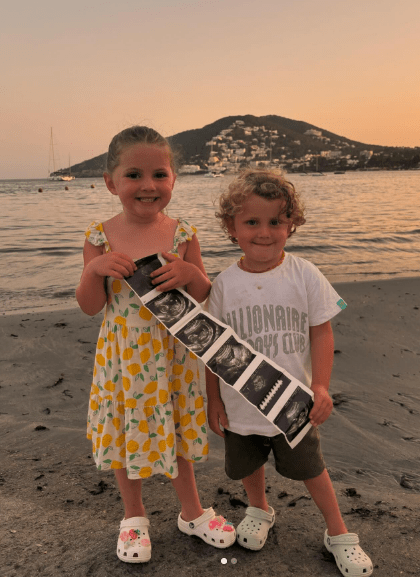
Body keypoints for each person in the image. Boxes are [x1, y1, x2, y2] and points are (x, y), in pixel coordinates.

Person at [76, 126, 235, 564]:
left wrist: (191, 275)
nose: (148, 185)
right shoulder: (99, 236)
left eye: (159, 174)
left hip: (174, 358)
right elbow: (91, 307)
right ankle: (134, 516)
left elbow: (205, 294)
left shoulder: (183, 233)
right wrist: (94, 272)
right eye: (133, 175)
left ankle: (192, 511)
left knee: (179, 432)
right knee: (129, 436)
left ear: (173, 180)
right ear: (111, 183)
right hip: (124, 361)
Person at [206, 168, 373, 577]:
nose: (264, 232)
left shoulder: (305, 274)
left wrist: (320, 385)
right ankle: (260, 510)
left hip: (292, 404)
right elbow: (210, 350)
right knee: (247, 464)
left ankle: (338, 532)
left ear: (292, 223)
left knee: (311, 467)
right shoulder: (223, 286)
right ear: (231, 226)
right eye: (251, 222)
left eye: (276, 221)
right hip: (240, 404)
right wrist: (212, 399)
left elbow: (322, 330)